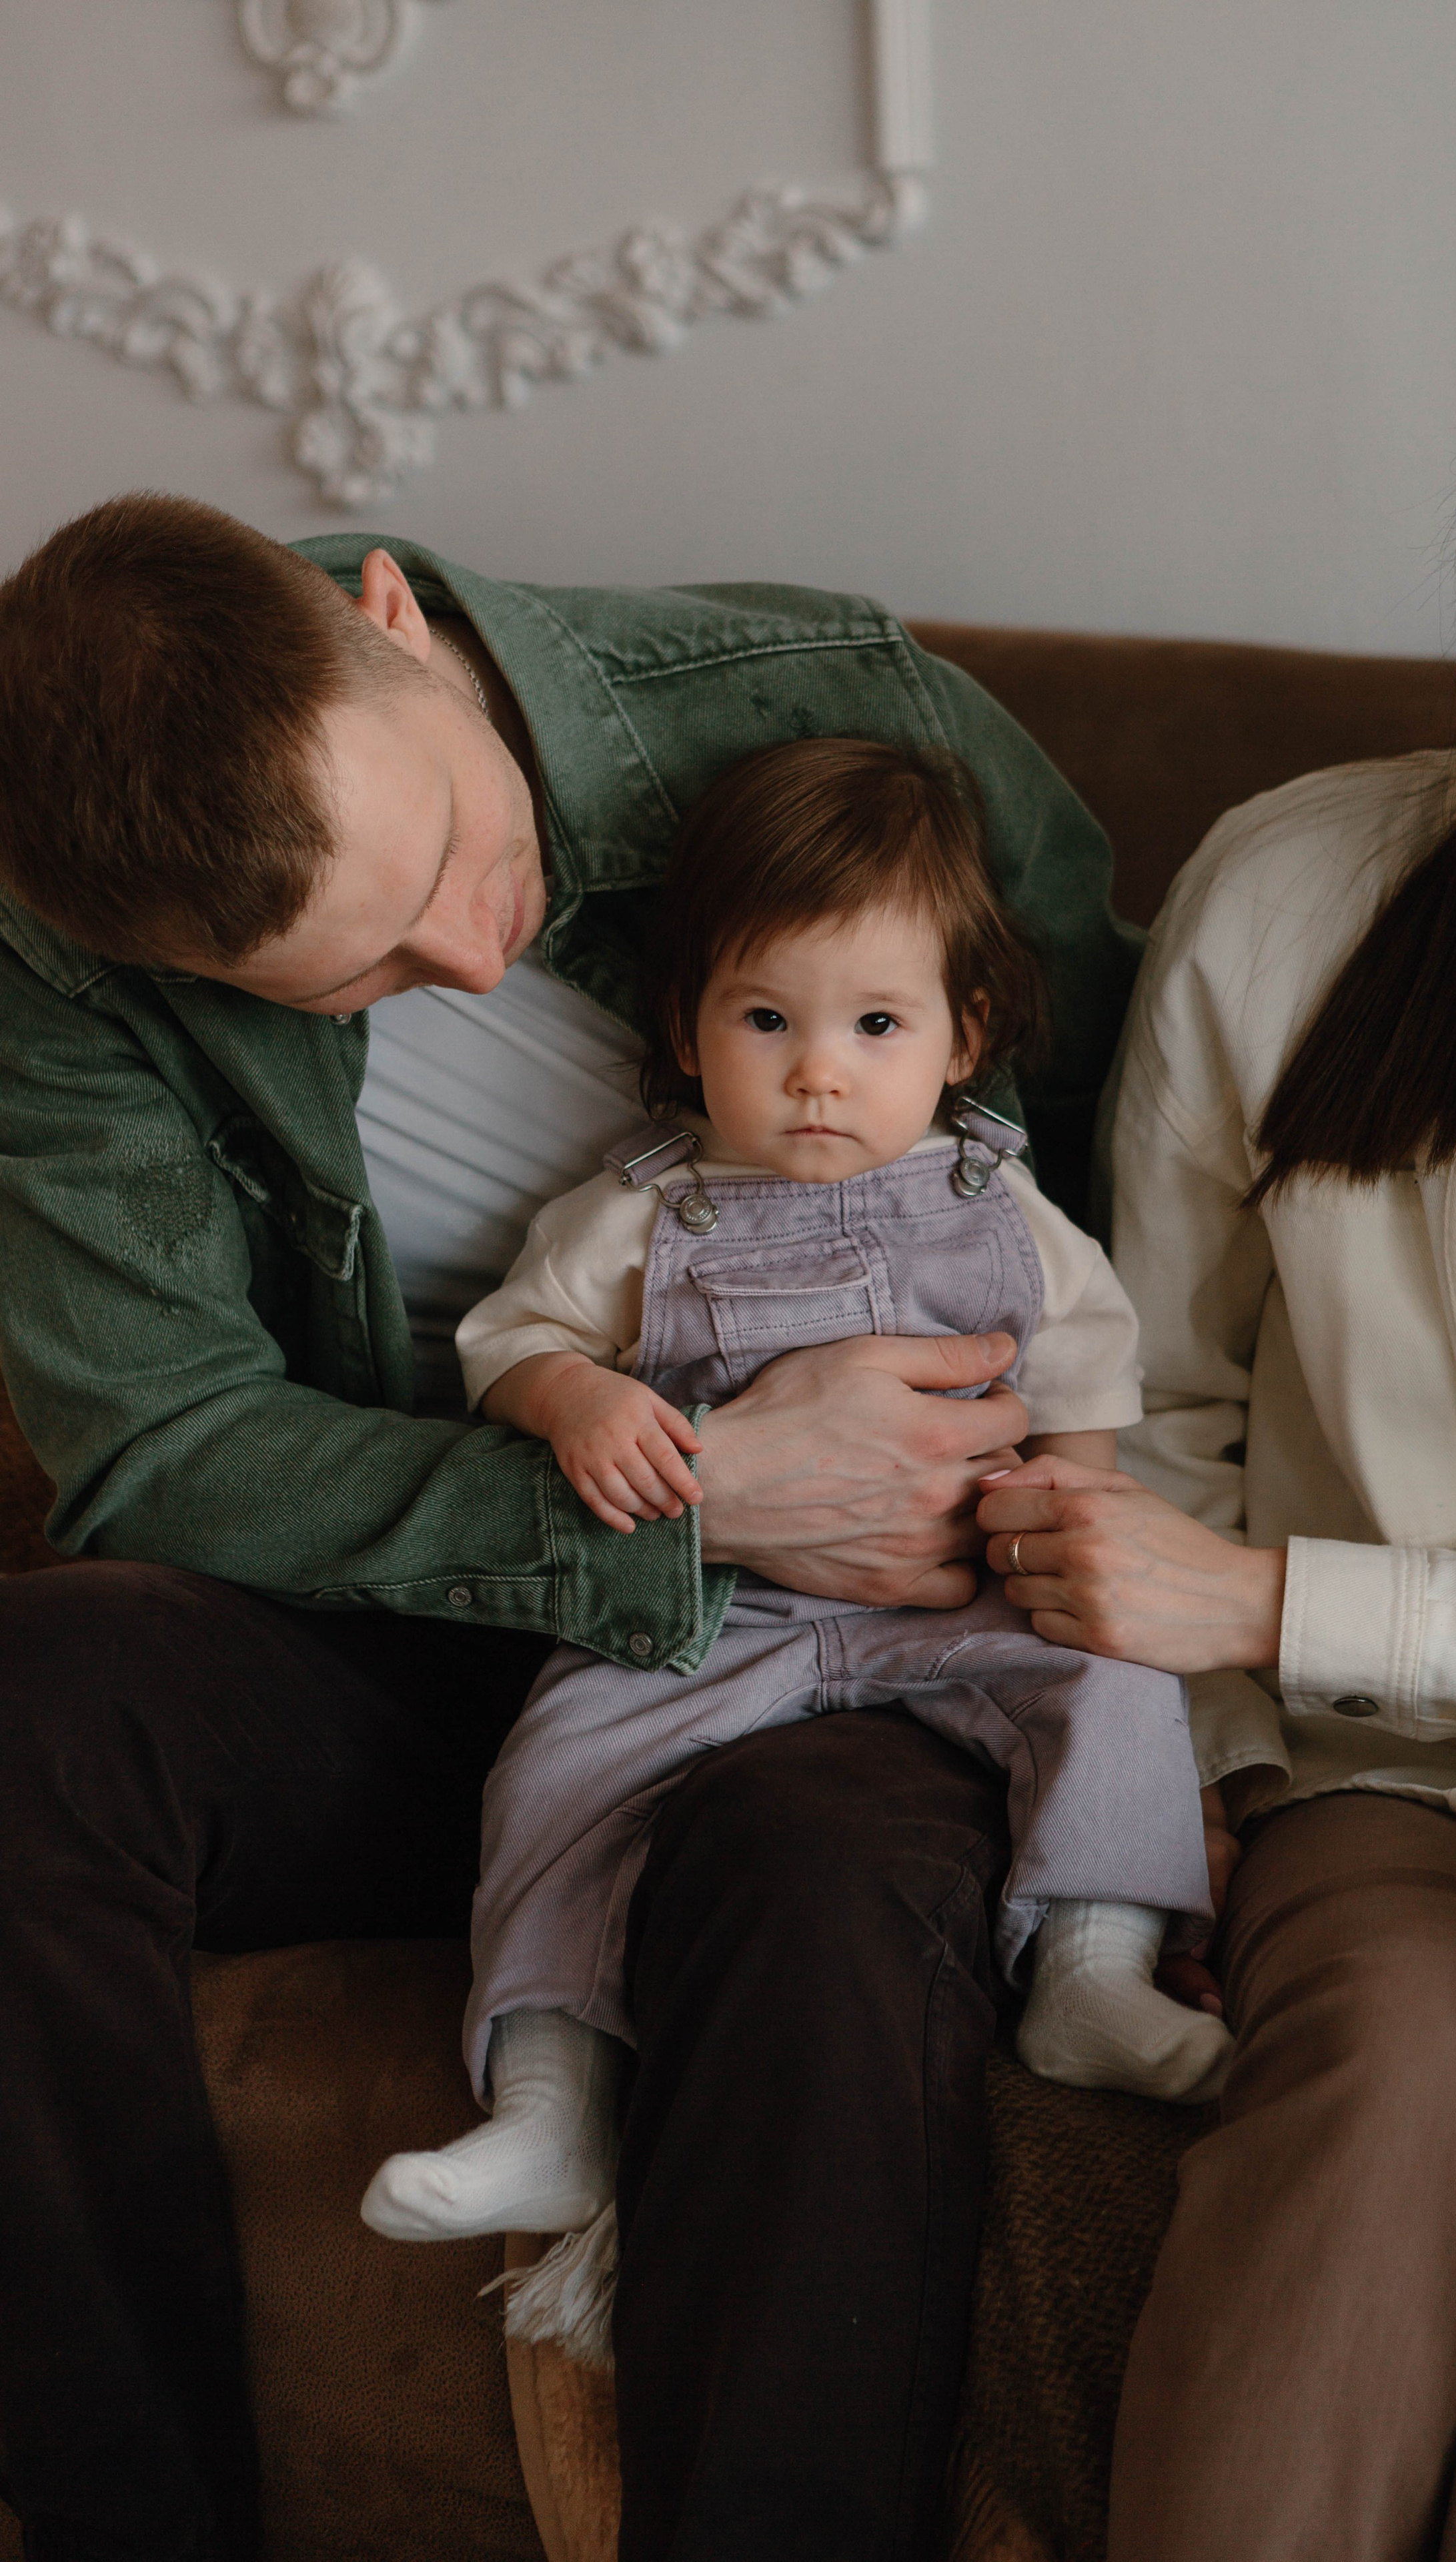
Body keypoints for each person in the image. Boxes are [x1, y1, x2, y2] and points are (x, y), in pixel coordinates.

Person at [0, 495, 1151, 2562]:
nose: (464, 957)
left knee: (810, 1879)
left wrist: (1028, 1518)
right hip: (445, 1595)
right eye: (346, 982)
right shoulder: (45, 939)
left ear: (391, 621)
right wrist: (678, 1518)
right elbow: (164, 1440)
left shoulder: (829, 713)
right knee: (30, 1704)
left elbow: (1157, 1149)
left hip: (898, 1612)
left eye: (446, 859)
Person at [974, 290, 1456, 2558]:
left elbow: (1234, 1546)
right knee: (1382, 2094)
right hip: (1394, 1782)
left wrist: (1295, 1593)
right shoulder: (1292, 892)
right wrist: (1187, 1764)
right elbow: (1158, 1400)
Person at [357, 739, 1225, 2310]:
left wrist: (1074, 1499)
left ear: (962, 1033)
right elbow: (509, 1342)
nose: (817, 1072)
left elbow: (1093, 1358)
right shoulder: (640, 1209)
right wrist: (578, 1404)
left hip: (960, 1592)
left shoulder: (1002, 1206)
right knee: (558, 1760)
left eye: (874, 1025)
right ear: (687, 1028)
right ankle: (552, 2101)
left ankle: (1090, 1971)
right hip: (715, 1608)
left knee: (1121, 1679)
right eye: (766, 1020)